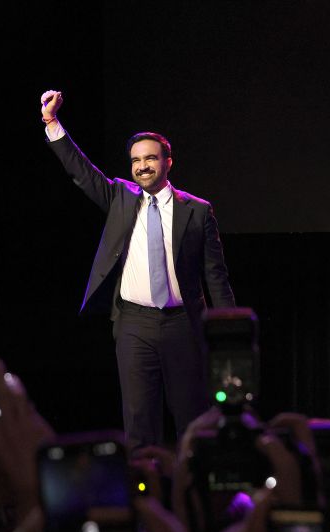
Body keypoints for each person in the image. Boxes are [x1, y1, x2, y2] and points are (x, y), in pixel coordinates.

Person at [40, 90, 236, 449]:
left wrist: (228, 335)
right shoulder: (120, 197)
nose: (142, 166)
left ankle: (189, 496)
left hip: (182, 324)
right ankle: (144, 497)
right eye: (135, 160)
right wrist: (53, 123)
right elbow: (82, 173)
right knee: (139, 419)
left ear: (168, 162)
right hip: (133, 324)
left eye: (150, 158)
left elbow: (216, 276)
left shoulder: (197, 210)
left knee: (191, 417)